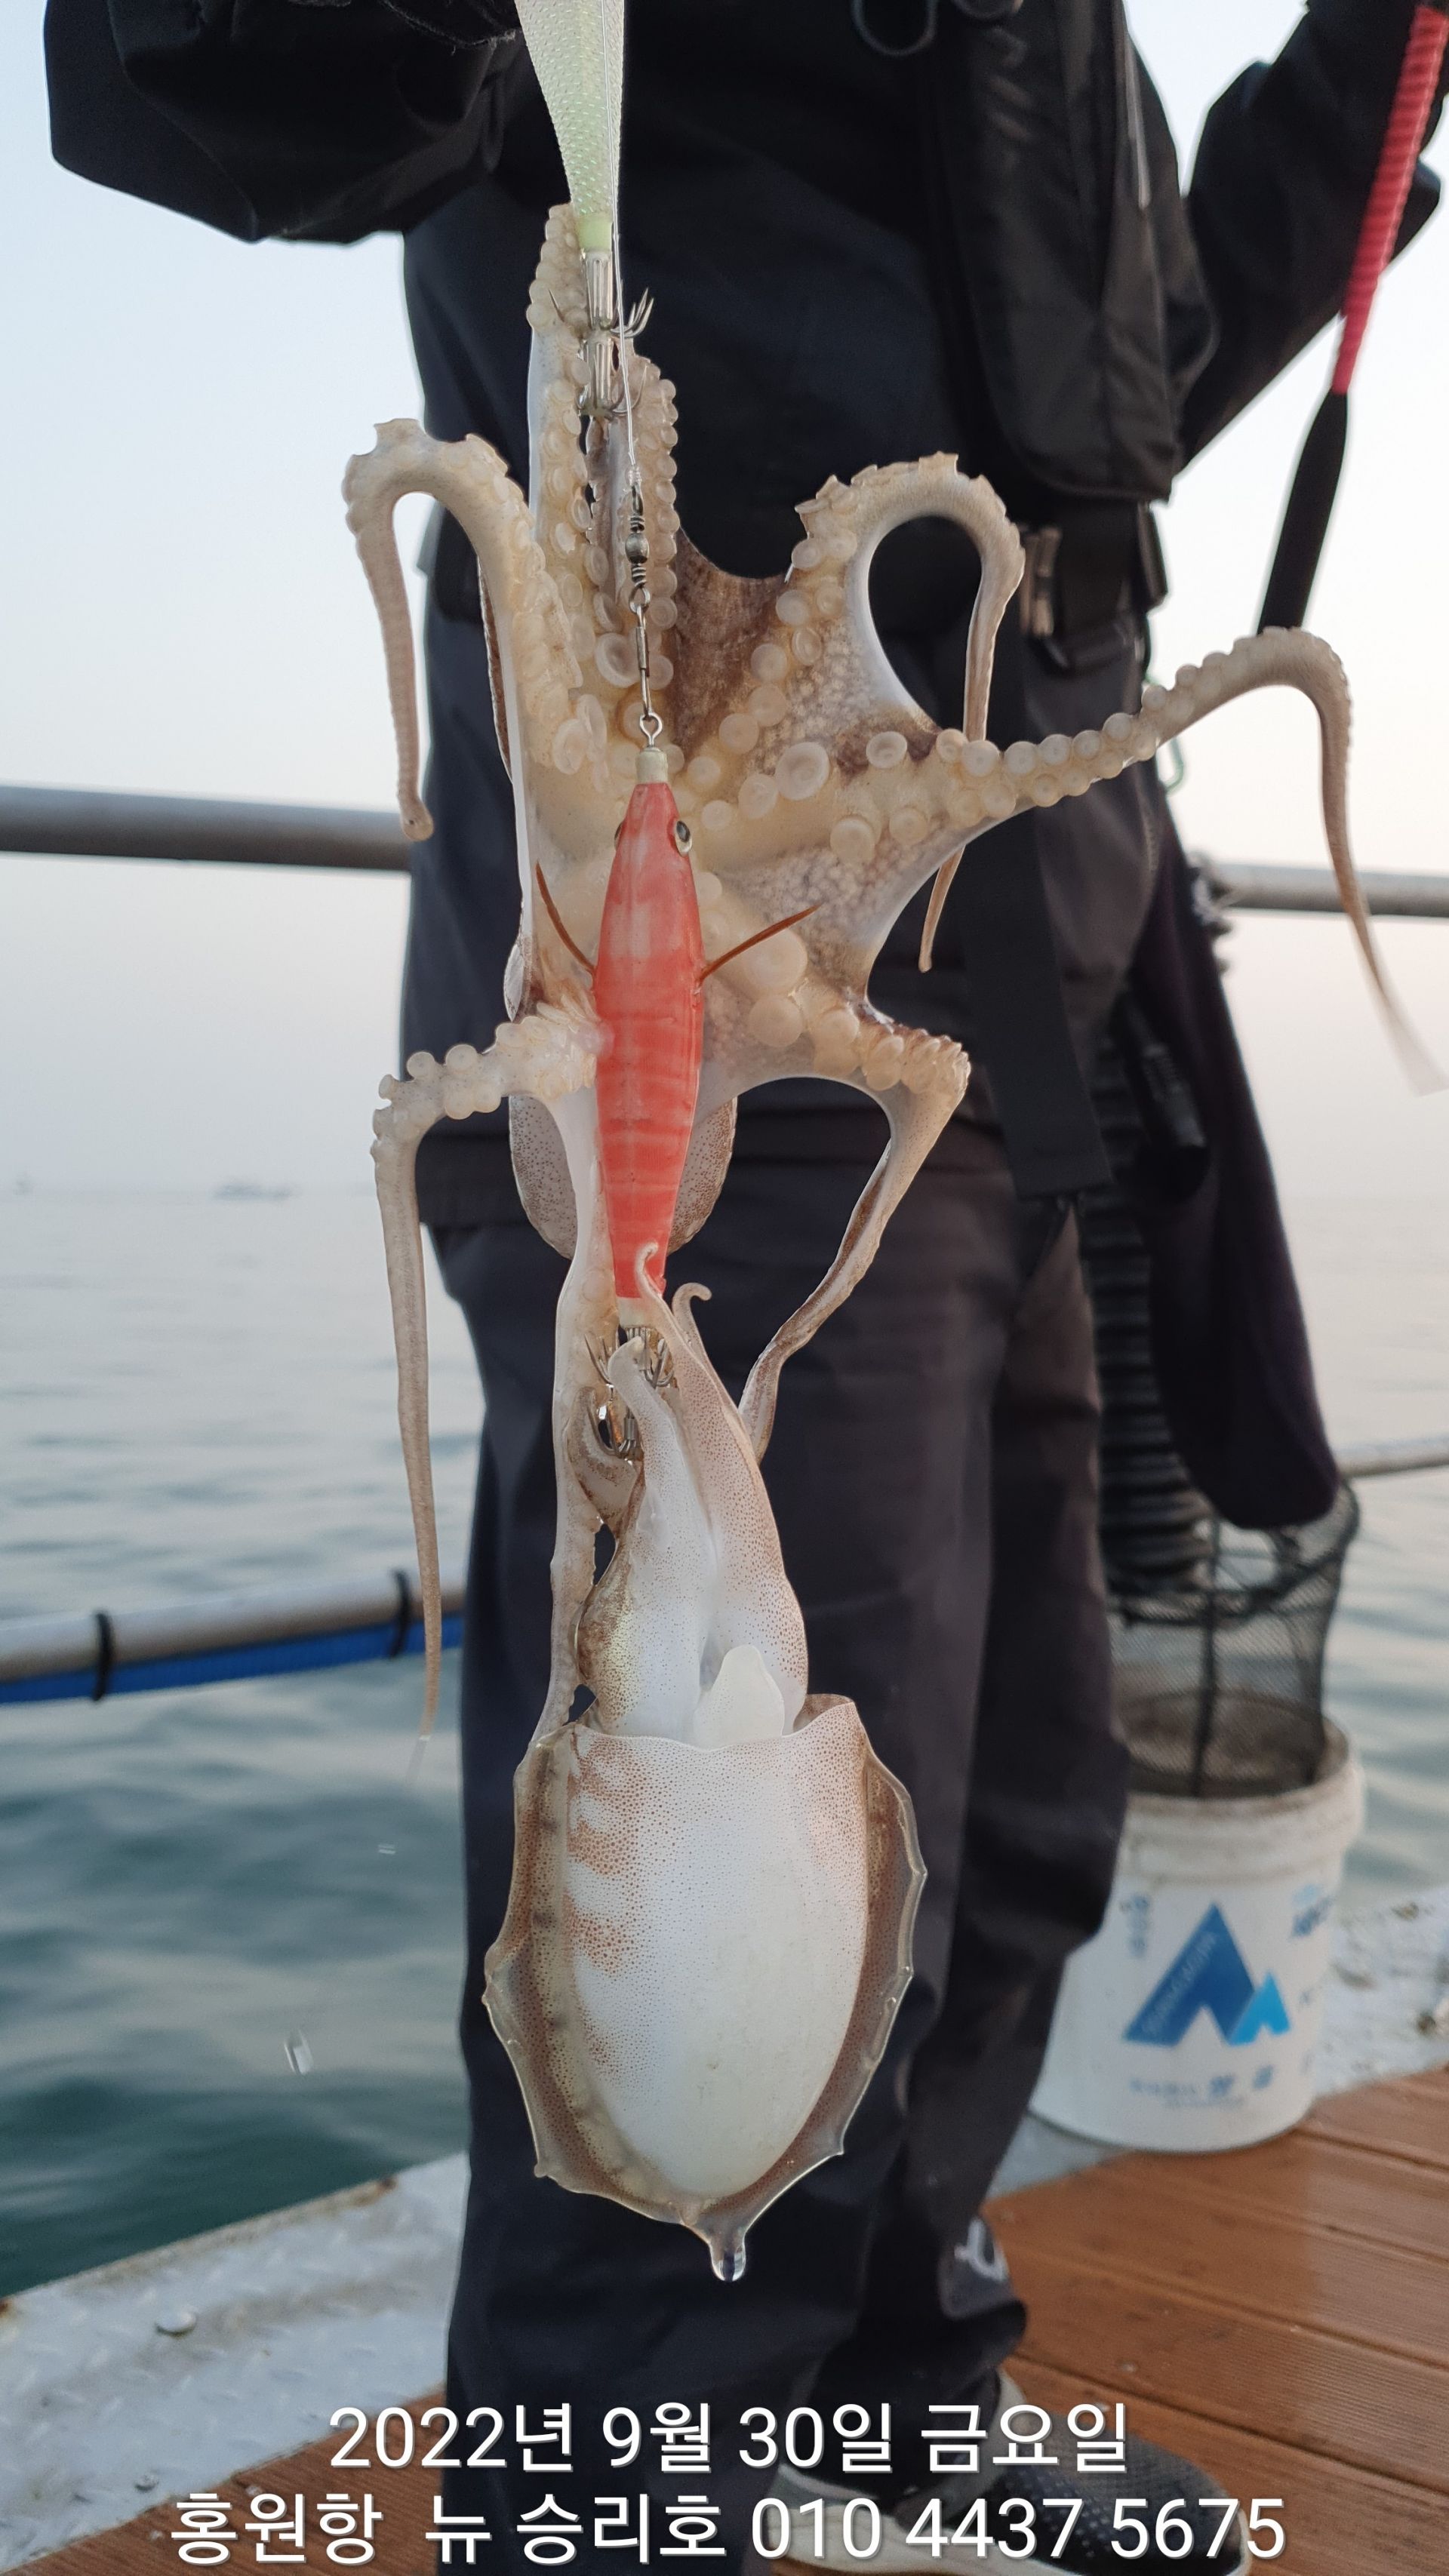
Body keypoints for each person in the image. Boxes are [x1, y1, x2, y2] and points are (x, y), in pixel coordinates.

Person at [45, 5, 1442, 2568]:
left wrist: (1381, 72)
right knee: (691, 1882)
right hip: (707, 1035)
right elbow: (210, 75)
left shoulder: (1062, 53)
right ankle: (611, 2505)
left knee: (1013, 1814)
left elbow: (1124, 384)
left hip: (1032, 999)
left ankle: (896, 2382)